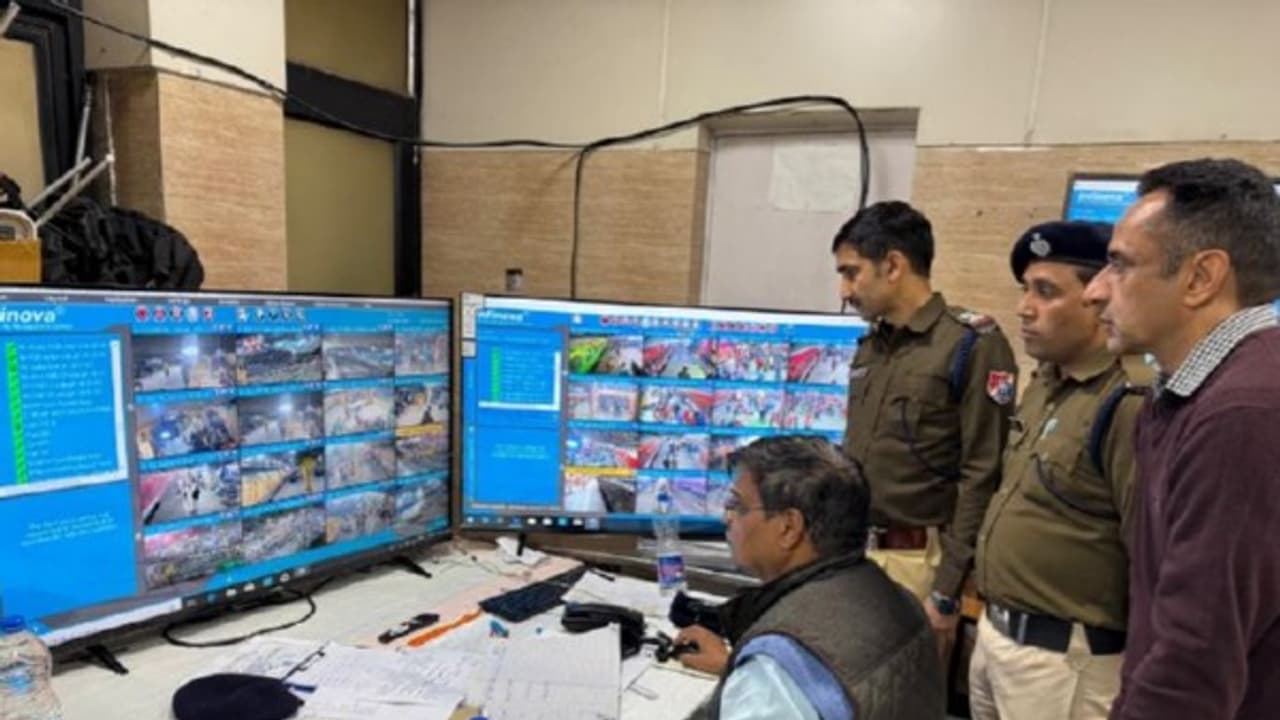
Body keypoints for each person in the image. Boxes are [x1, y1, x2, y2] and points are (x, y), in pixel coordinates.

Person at [1082, 158, 1280, 719]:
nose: (1095, 291)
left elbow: (1195, 658)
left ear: (1200, 278)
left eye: (1120, 264)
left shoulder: (1243, 413)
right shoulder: (1190, 394)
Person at [969, 221, 1147, 720]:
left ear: (1099, 298)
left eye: (1046, 292)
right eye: (1025, 289)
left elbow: (1149, 552)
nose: (1025, 308)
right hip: (997, 637)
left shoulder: (1129, 401)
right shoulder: (1046, 383)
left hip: (1066, 662)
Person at [832, 201, 1018, 654]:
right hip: (854, 552)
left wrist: (946, 589)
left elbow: (982, 472)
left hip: (918, 561)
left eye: (852, 273)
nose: (844, 290)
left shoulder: (970, 344)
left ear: (893, 265)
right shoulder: (872, 347)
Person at [676, 435, 944, 720]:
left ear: (789, 528)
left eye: (737, 505)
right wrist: (735, 667)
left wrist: (758, 677)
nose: (726, 518)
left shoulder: (775, 671)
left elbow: (792, 687)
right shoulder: (902, 600)